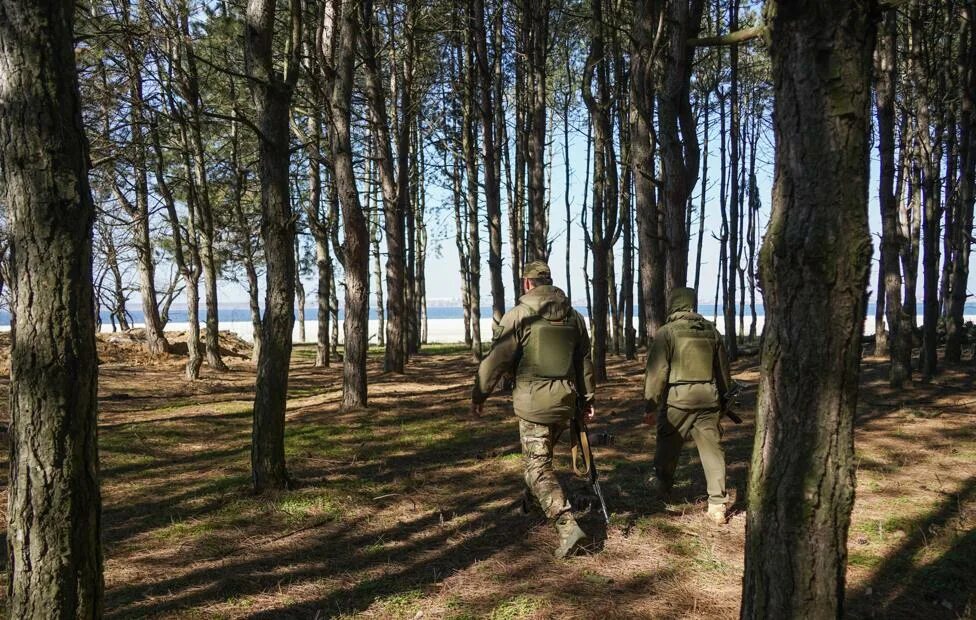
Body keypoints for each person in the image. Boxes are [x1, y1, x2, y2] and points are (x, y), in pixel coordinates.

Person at [471, 260, 596, 558]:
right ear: (549, 282)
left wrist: (480, 393)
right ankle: (530, 502)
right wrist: (588, 399)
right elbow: (584, 361)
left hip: (533, 405)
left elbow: (496, 360)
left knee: (538, 467)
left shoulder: (519, 315)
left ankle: (567, 527)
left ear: (527, 284)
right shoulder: (574, 317)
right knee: (539, 460)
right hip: (565, 401)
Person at [643, 287, 733, 524]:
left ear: (673, 304)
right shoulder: (711, 331)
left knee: (667, 445)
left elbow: (657, 372)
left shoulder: (667, 332)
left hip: (678, 400)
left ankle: (662, 486)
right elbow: (723, 371)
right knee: (712, 451)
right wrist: (724, 399)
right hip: (708, 398)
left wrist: (650, 405)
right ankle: (717, 504)